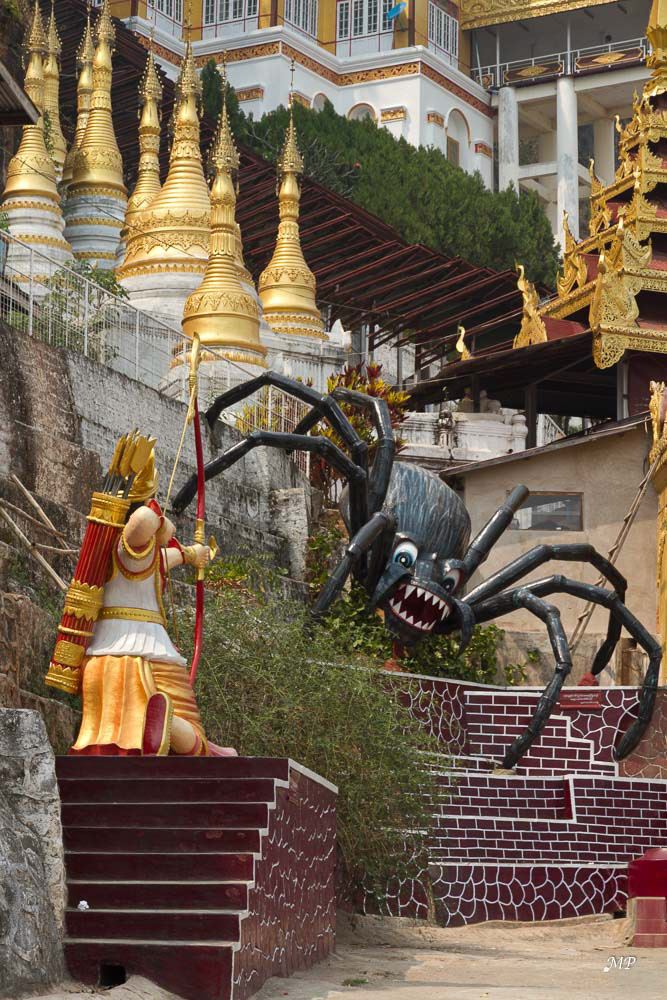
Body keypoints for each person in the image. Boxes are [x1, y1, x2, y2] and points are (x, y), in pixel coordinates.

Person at [71, 452, 234, 757]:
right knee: (189, 733)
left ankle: (175, 732)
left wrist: (193, 553)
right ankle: (167, 725)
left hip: (105, 659)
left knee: (112, 743)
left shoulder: (130, 555)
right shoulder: (130, 546)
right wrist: (155, 514)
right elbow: (142, 524)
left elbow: (170, 556)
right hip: (146, 656)